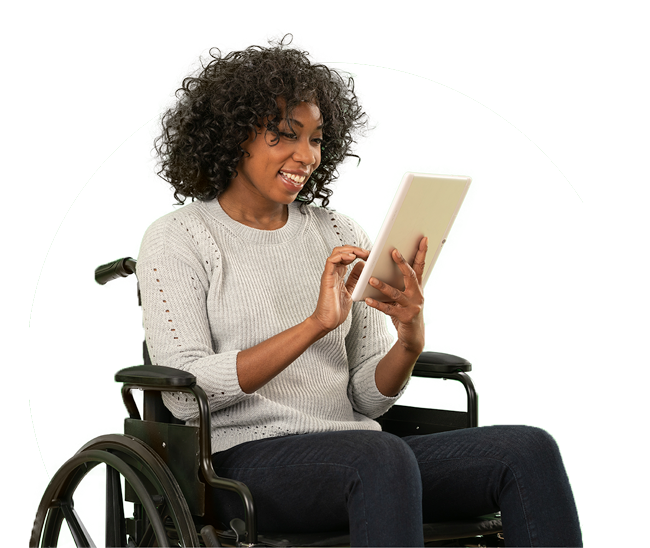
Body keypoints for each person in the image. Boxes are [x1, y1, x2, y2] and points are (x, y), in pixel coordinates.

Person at [137, 36, 583, 547]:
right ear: (234, 136)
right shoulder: (180, 237)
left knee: (527, 450)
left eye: (316, 139)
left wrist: (409, 340)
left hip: (358, 453)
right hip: (241, 464)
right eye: (284, 136)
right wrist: (314, 325)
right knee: (380, 457)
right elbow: (183, 395)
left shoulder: (338, 232)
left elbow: (365, 401)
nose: (304, 156)